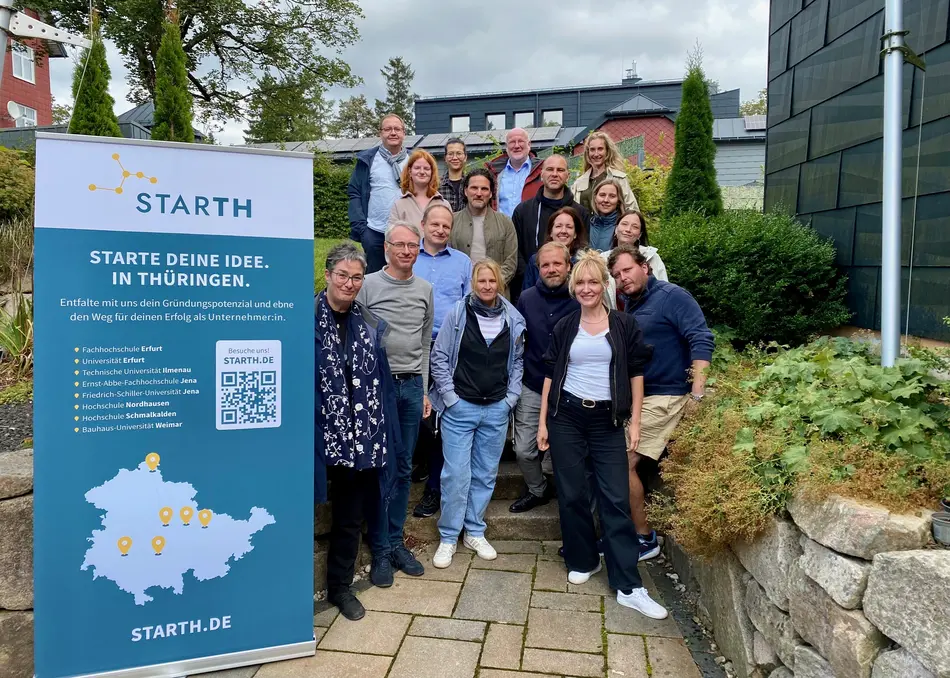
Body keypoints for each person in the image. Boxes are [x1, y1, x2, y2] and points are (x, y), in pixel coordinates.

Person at [537, 251, 667, 619]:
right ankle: (583, 560)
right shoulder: (565, 327)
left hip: (608, 421)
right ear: (572, 287)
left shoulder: (624, 325)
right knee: (573, 493)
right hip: (567, 417)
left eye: (594, 282)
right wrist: (544, 422)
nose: (586, 288)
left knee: (614, 497)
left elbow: (636, 375)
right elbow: (550, 375)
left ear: (605, 285)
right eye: (580, 283)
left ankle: (629, 584)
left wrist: (636, 422)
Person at [608, 245, 714, 561]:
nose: (623, 278)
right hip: (640, 397)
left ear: (645, 267)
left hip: (667, 396)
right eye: (616, 275)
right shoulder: (631, 305)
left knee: (621, 462)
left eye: (627, 270)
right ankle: (623, 533)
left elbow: (701, 338)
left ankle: (644, 539)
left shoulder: (673, 297)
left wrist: (697, 394)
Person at [314, 243, 402, 621]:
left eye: (356, 277)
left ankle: (340, 588)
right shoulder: (302, 318)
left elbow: (381, 382)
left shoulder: (368, 323)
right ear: (328, 275)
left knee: (350, 519)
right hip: (317, 433)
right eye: (342, 275)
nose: (349, 283)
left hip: (361, 440)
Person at [428, 259, 526, 568]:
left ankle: (474, 530)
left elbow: (518, 361)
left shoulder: (513, 318)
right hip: (461, 408)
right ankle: (448, 536)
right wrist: (450, 398)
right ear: (474, 283)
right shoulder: (458, 314)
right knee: (456, 474)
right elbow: (440, 356)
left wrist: (511, 398)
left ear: (500, 283)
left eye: (492, 281)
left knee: (485, 474)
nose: (487, 286)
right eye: (481, 281)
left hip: (496, 409)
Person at [356, 221, 434, 585]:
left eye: (412, 245)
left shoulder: (425, 289)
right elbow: (353, 337)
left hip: (411, 387)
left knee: (403, 467)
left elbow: (425, 342)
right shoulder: (368, 285)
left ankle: (393, 539)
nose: (406, 251)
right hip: (377, 387)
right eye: (399, 245)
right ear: (386, 247)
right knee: (380, 467)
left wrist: (424, 389)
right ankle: (380, 547)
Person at [411, 203, 473, 518]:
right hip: (412, 347)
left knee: (441, 422)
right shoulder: (409, 257)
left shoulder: (463, 263)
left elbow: (470, 306)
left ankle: (434, 488)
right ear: (423, 224)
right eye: (434, 224)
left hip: (449, 349)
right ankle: (417, 463)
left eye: (446, 226)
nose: (440, 230)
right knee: (416, 415)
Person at [510, 242, 579, 513]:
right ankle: (538, 490)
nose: (551, 269)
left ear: (568, 266)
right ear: (538, 269)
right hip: (533, 383)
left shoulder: (580, 297)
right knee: (524, 451)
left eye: (557, 264)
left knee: (563, 450)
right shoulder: (526, 298)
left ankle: (565, 494)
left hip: (569, 388)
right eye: (545, 265)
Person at [511, 155, 589, 299]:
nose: (554, 174)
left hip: (571, 292)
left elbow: (582, 247)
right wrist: (534, 273)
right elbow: (516, 251)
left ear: (567, 176)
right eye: (550, 169)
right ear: (541, 174)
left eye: (560, 170)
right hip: (533, 286)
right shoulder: (523, 211)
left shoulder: (580, 212)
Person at [347, 114, 409, 273]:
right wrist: (362, 229)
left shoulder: (414, 160)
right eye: (388, 129)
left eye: (397, 129)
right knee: (374, 280)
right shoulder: (367, 160)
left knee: (403, 277)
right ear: (380, 133)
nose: (393, 133)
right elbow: (354, 193)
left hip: (406, 233)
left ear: (404, 133)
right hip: (374, 231)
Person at [451, 168, 519, 294]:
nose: (479, 193)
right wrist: (467, 286)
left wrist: (491, 284)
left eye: (484, 189)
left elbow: (511, 263)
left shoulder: (505, 222)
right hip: (460, 292)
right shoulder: (451, 222)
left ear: (491, 193)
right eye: (474, 188)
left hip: (497, 294)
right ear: (466, 191)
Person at [570, 131, 639, 214]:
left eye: (600, 149)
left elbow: (632, 210)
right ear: (588, 153)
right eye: (592, 149)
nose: (596, 154)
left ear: (607, 151)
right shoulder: (579, 183)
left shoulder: (619, 179)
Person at [521, 207, 588, 291]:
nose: (563, 231)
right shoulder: (535, 260)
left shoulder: (583, 261)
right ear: (551, 232)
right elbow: (527, 294)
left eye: (569, 227)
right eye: (558, 226)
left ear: (575, 234)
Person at [488, 127, 543, 217]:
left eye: (521, 141)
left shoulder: (542, 170)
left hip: (530, 229)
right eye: (512, 142)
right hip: (501, 228)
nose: (516, 146)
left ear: (529, 144)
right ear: (506, 147)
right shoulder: (494, 173)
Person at [389, 149, 452, 227]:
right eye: (417, 168)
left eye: (426, 168)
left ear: (432, 172)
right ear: (410, 171)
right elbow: (392, 236)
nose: (422, 172)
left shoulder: (444, 204)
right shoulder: (399, 205)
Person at [587, 178, 628, 253]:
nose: (606, 200)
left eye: (612, 196)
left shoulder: (623, 228)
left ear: (618, 200)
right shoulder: (586, 224)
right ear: (595, 198)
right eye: (602, 195)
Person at [439, 138, 468, 212]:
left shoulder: (470, 184)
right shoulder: (436, 186)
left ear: (465, 157)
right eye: (450, 154)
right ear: (445, 158)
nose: (455, 158)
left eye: (459, 153)